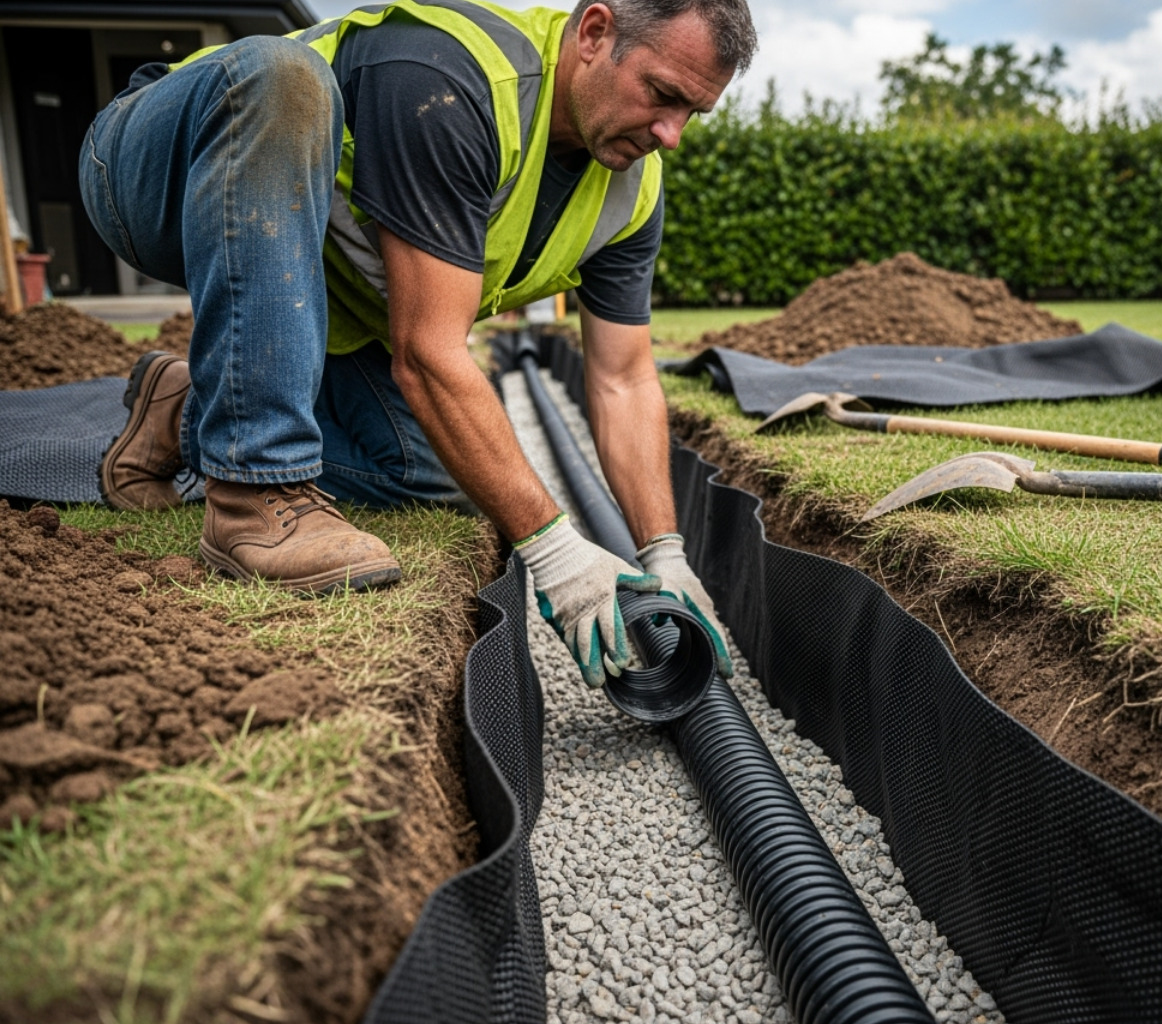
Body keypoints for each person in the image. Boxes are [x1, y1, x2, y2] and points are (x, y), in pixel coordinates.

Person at [78, 0, 754, 688]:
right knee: (281, 73)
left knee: (439, 478)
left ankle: (183, 412)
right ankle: (256, 490)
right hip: (168, 155)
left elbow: (624, 378)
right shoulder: (449, 77)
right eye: (662, 94)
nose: (672, 135)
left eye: (692, 113)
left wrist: (664, 552)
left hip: (321, 278)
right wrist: (556, 552)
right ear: (595, 33)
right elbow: (429, 353)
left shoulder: (630, 187)